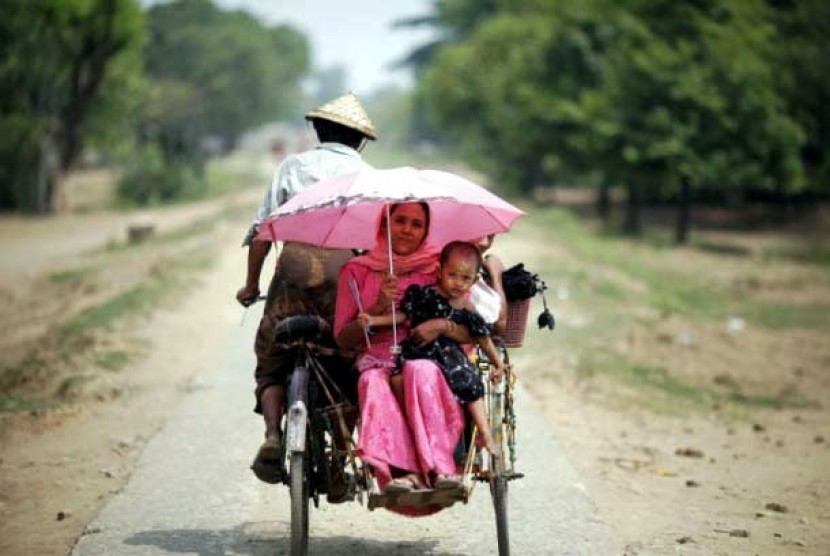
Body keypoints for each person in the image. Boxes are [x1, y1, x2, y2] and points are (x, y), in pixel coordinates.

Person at [236, 92, 377, 486]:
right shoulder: (367, 175)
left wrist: (251, 285)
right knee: (349, 360)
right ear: (360, 140)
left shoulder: (292, 166)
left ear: (317, 131)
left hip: (295, 266)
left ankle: (272, 435)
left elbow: (263, 233)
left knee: (272, 357)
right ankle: (340, 458)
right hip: (344, 273)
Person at [334, 203, 473, 511]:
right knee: (373, 382)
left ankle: (441, 470)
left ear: (426, 230)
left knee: (420, 370)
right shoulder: (355, 271)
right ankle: (402, 474)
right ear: (384, 224)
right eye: (400, 221)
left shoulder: (440, 270)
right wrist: (379, 306)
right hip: (376, 359)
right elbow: (343, 338)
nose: (407, 230)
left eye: (416, 224)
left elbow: (471, 329)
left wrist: (441, 325)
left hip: (428, 358)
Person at [357, 241, 504, 455]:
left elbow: (482, 337)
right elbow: (403, 318)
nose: (458, 283)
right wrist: (374, 320)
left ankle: (484, 432)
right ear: (440, 271)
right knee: (399, 380)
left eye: (465, 278)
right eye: (452, 275)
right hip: (419, 351)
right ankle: (409, 435)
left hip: (450, 357)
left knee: (470, 384)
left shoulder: (466, 305)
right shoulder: (423, 295)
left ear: (474, 281)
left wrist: (497, 363)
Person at [472, 234, 508, 335]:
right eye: (479, 234)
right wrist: (495, 275)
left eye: (491, 236)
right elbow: (498, 325)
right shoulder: (462, 267)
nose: (484, 243)